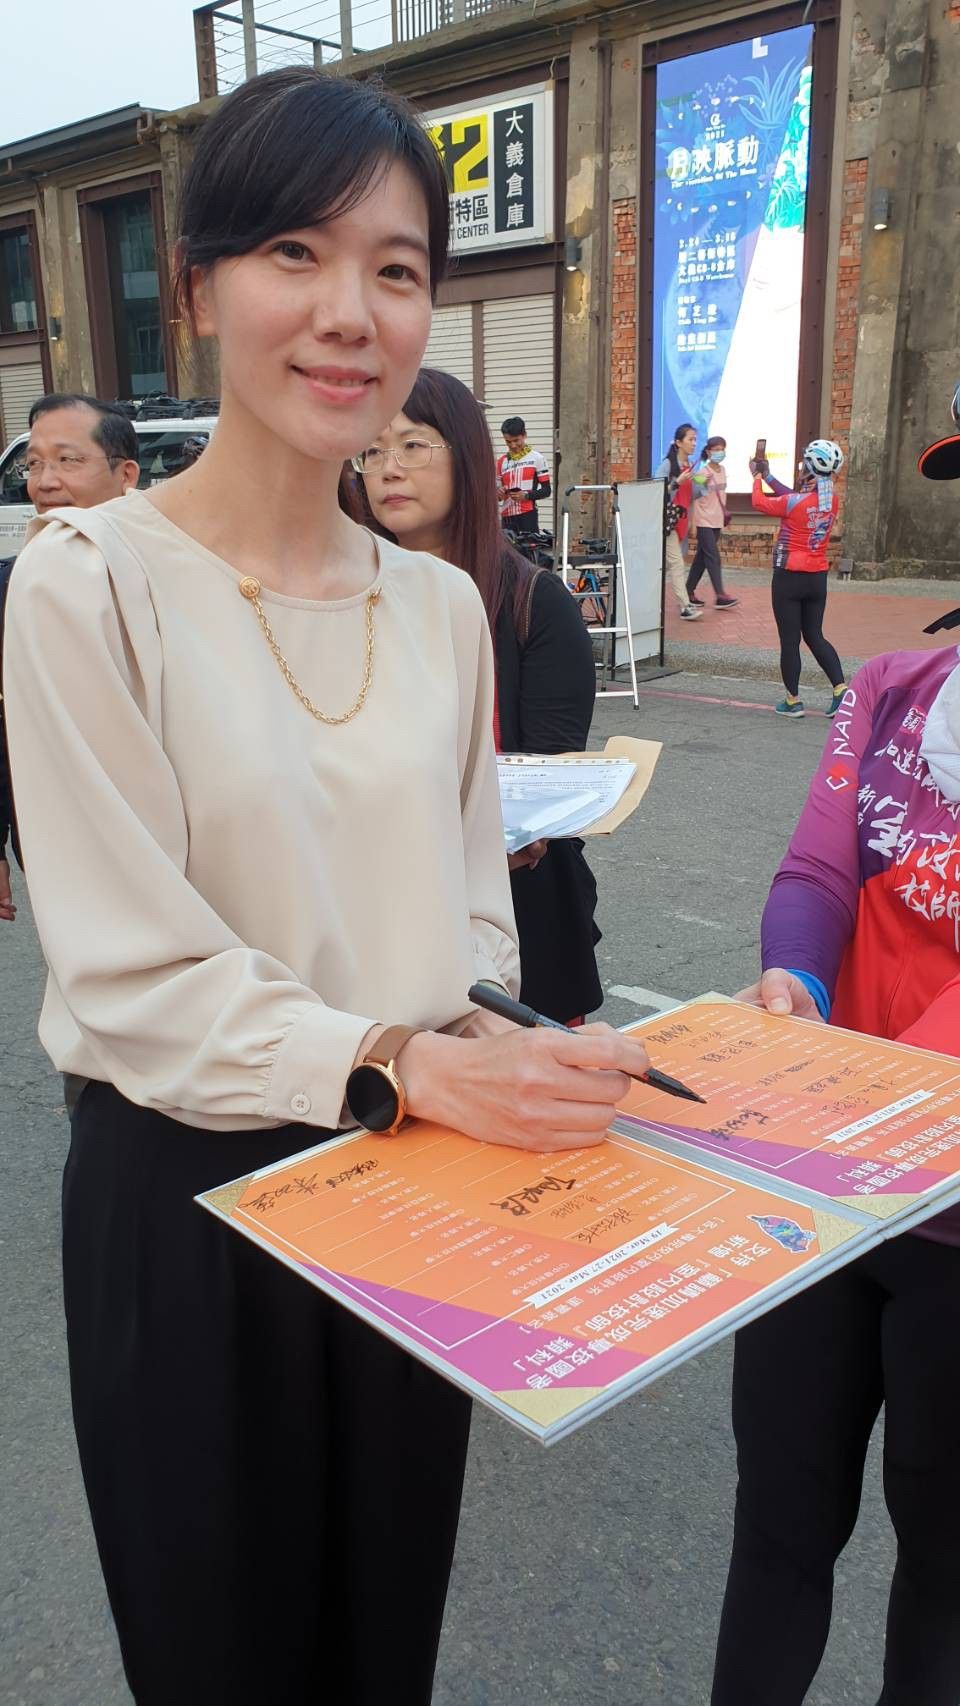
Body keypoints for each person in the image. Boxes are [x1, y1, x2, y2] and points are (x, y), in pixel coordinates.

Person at [4, 69, 650, 1706]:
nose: (351, 311)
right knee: (220, 1660)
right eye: (296, 252)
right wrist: (400, 1056)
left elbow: (472, 918)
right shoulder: (89, 585)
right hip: (190, 1197)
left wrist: (516, 1047)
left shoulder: (438, 611)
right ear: (200, 289)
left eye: (398, 267)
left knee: (383, 1643)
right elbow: (133, 971)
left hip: (412, 1184)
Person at [711, 392, 960, 1706]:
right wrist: (793, 981)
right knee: (779, 1527)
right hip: (819, 1192)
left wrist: (889, 1093)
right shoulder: (891, 691)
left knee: (946, 1576)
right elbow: (818, 866)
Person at [356, 365, 602, 1025]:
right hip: (378, 904)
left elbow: (546, 771)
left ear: (465, 456)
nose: (388, 468)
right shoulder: (342, 598)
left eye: (412, 445)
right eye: (372, 450)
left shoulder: (533, 601)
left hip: (517, 908)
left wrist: (514, 828)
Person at [0, 393, 141, 923]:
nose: (45, 482)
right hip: (54, 839)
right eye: (34, 464)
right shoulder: (12, 586)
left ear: (126, 474)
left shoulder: (175, 572)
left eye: (68, 460)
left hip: (170, 835)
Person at [750, 438, 846, 717]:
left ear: (809, 468)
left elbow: (759, 502)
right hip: (817, 578)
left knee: (790, 641)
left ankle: (793, 700)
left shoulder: (795, 503)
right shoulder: (831, 500)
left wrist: (756, 477)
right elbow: (794, 498)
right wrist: (769, 476)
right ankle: (840, 690)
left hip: (789, 577)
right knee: (815, 635)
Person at [654, 423, 702, 621]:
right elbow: (655, 491)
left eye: (695, 439)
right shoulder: (668, 465)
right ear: (678, 442)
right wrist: (676, 483)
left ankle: (644, 595)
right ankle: (685, 606)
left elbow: (694, 495)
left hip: (681, 521)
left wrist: (704, 481)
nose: (694, 443)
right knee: (677, 563)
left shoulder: (689, 466)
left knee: (666, 565)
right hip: (668, 521)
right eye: (690, 439)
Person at [686, 435, 738, 609]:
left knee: (701, 558)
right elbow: (694, 496)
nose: (719, 452)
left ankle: (688, 590)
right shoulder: (702, 473)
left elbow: (721, 496)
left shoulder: (722, 470)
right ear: (708, 452)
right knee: (713, 556)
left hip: (717, 520)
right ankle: (720, 595)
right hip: (704, 521)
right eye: (716, 450)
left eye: (722, 449)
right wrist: (693, 523)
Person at [496, 414, 551, 536]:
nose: (513, 445)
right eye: (508, 442)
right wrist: (499, 492)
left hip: (528, 515)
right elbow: (497, 496)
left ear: (524, 435)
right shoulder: (500, 462)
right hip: (507, 517)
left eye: (516, 440)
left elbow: (547, 491)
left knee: (529, 549)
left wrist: (526, 495)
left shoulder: (537, 458)